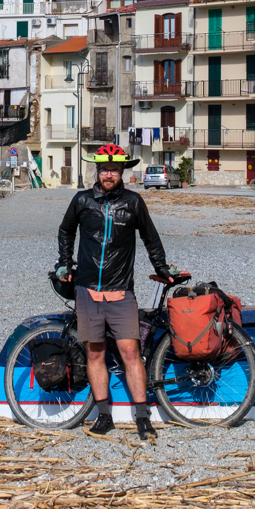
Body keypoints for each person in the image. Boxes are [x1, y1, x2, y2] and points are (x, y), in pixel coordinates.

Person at [56, 144, 175, 442]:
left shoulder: (133, 203)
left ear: (122, 172)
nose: (109, 174)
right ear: (97, 171)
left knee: (130, 354)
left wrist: (162, 269)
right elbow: (65, 231)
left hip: (121, 292)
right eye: (105, 169)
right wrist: (64, 262)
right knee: (95, 354)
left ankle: (142, 418)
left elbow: (150, 238)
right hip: (87, 290)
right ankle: (104, 416)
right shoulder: (82, 200)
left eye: (115, 170)